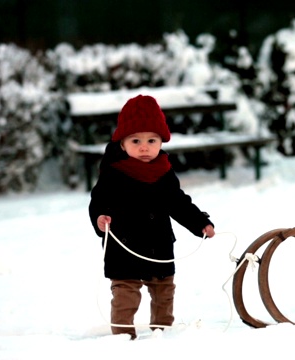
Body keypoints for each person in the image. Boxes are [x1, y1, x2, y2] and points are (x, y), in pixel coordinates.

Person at [89, 94, 215, 340]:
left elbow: (178, 202)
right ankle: (124, 337)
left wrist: (200, 222)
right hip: (124, 246)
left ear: (161, 141)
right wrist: (100, 218)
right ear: (123, 143)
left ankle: (163, 331)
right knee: (125, 292)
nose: (144, 147)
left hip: (158, 244)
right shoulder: (113, 172)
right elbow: (98, 201)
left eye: (151, 140)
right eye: (136, 140)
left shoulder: (164, 171)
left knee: (164, 290)